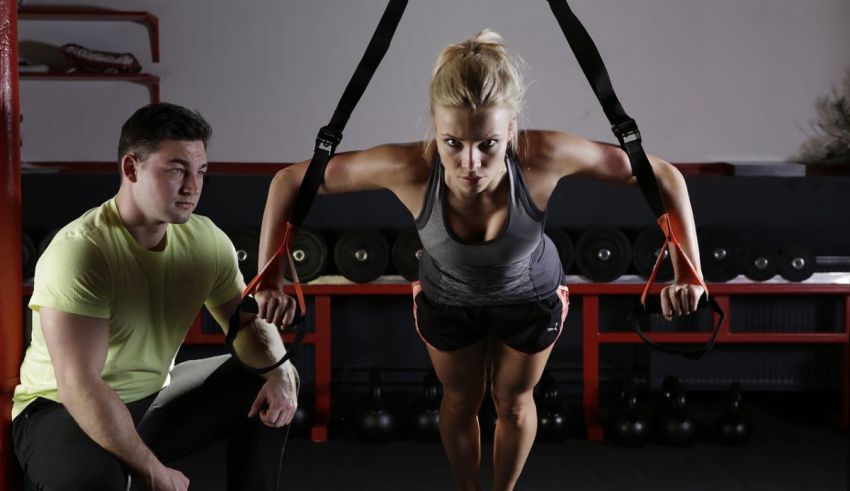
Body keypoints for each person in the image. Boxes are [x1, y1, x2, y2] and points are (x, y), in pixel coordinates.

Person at [256, 30, 704, 491]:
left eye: (488, 143)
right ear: (435, 126)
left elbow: (662, 176)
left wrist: (689, 271)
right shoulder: (410, 167)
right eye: (452, 142)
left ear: (511, 129)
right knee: (459, 402)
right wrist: (270, 278)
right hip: (448, 299)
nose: (470, 162)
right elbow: (289, 181)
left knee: (513, 403)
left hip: (531, 297)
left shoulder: (542, 156)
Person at [11, 102, 299, 491]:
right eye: (176, 170)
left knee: (270, 375)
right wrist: (153, 471)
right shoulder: (82, 251)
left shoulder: (206, 240)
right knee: (93, 480)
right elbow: (79, 386)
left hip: (151, 398)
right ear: (131, 169)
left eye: (200, 172)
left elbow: (246, 326)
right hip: (61, 410)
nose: (192, 187)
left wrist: (280, 373)